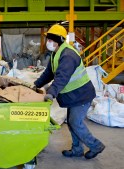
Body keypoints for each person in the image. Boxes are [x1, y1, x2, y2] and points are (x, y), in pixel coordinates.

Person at [33, 24, 105, 159]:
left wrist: (51, 93)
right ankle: (77, 149)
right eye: (47, 40)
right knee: (73, 123)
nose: (48, 43)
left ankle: (96, 145)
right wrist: (36, 84)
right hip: (73, 96)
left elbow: (62, 77)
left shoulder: (68, 55)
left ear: (58, 40)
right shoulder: (56, 53)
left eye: (50, 40)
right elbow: (49, 73)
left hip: (81, 95)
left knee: (75, 122)